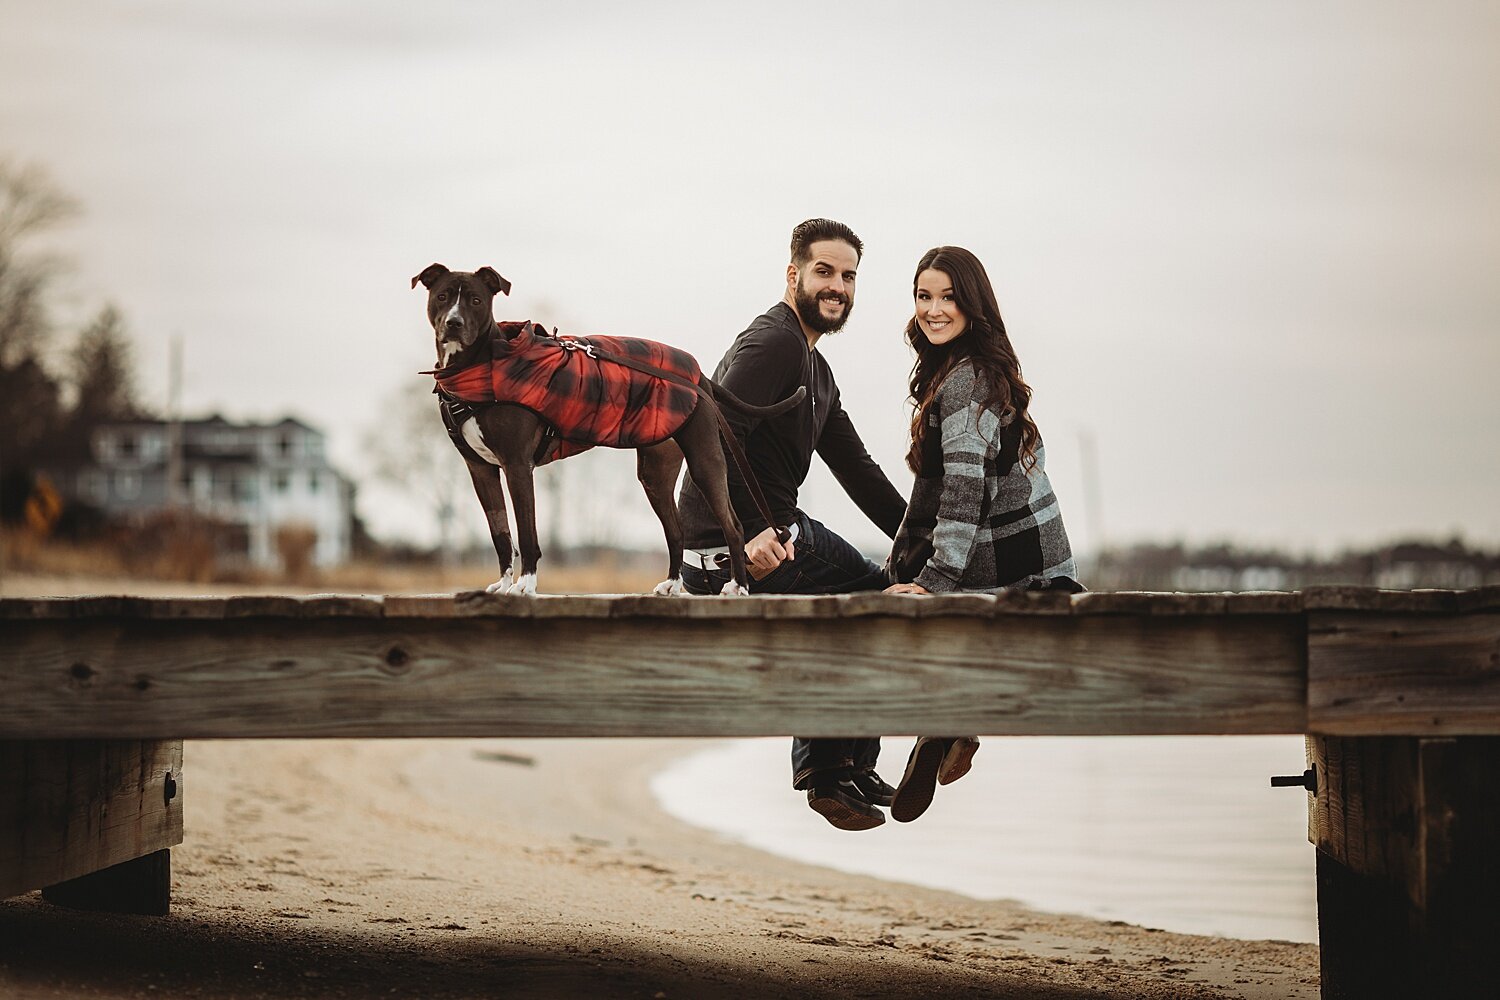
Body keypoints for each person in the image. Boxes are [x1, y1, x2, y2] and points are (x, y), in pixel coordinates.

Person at [677, 218, 908, 832]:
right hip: (731, 551)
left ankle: (846, 764)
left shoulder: (816, 370)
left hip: (774, 537)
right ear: (794, 275)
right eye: (824, 272)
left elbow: (858, 470)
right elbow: (710, 439)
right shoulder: (772, 342)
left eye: (849, 276)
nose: (838, 286)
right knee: (871, 596)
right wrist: (745, 532)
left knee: (879, 584)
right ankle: (831, 767)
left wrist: (921, 542)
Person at [883, 245, 1083, 823]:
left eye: (948, 297)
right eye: (924, 296)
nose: (934, 309)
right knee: (910, 605)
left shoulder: (966, 384)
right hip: (1036, 560)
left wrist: (936, 578)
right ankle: (953, 723)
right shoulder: (973, 373)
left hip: (1012, 563)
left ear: (973, 304)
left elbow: (965, 493)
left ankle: (945, 723)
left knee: (897, 612)